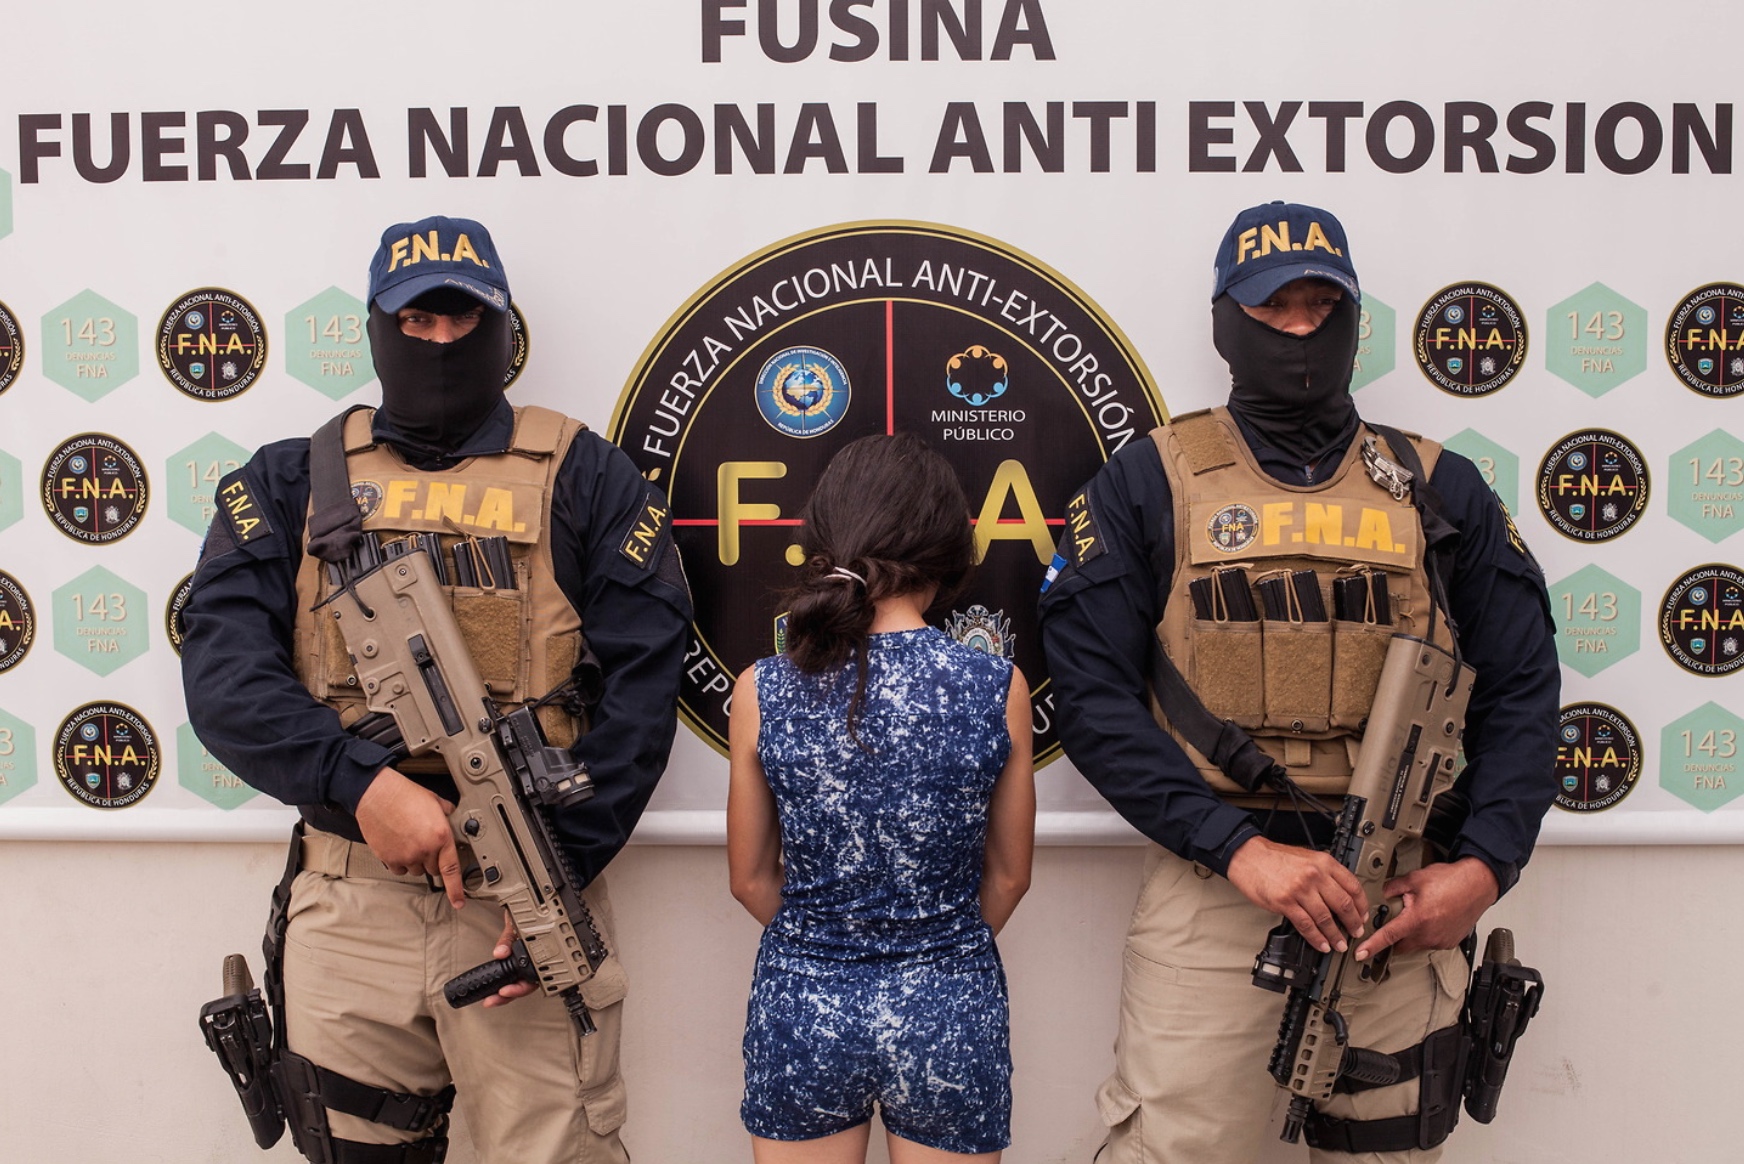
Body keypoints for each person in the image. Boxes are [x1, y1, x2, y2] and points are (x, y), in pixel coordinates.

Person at [1038, 201, 1559, 1162]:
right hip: (1219, 891)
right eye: (1274, 309)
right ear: (1227, 323)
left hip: (1402, 903)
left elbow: (1525, 691)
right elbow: (1091, 696)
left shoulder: (1441, 488)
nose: (1301, 331)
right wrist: (1240, 851)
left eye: (1324, 306)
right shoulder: (1150, 482)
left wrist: (1482, 870)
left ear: (1356, 320)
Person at [181, 215, 691, 1164]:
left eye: (464, 321)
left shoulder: (585, 474)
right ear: (377, 329)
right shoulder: (290, 480)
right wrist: (362, 785)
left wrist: (555, 874)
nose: (443, 343)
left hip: (525, 903)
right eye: (416, 324)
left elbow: (641, 689)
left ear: (502, 327)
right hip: (350, 895)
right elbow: (224, 677)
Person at [726, 433, 1037, 1164]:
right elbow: (1011, 877)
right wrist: (929, 951)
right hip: (949, 1005)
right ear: (949, 547)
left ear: (824, 537)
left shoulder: (761, 688)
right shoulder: (997, 686)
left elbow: (747, 879)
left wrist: (832, 946)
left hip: (804, 1004)